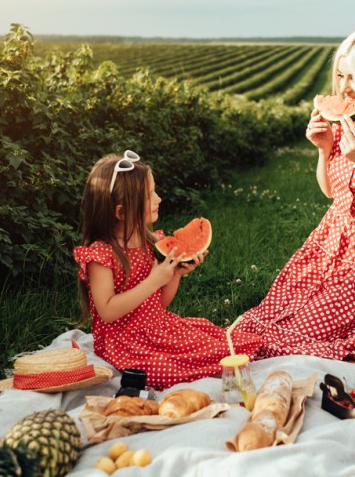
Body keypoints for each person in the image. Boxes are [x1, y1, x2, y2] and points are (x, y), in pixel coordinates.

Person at [236, 26, 355, 360]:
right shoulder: (353, 119)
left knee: (297, 333)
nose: (343, 87)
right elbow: (332, 192)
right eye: (340, 75)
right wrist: (324, 149)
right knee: (267, 319)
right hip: (329, 245)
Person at [73, 150, 262, 389]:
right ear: (121, 212)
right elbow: (107, 311)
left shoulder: (149, 241)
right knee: (166, 371)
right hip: (125, 342)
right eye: (149, 195)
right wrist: (153, 280)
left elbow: (158, 304)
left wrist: (175, 275)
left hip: (158, 328)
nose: (158, 199)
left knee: (227, 345)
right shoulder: (101, 254)